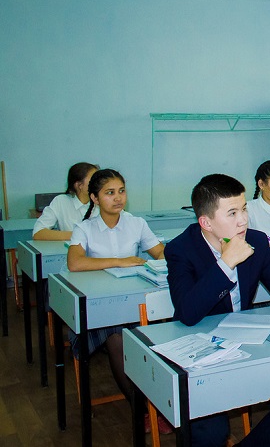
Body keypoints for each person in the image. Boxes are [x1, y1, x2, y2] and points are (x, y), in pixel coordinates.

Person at [166, 173, 270, 447]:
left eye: (244, 209)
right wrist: (225, 264)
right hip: (200, 354)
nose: (243, 220)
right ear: (206, 222)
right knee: (211, 433)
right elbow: (187, 313)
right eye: (232, 213)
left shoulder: (256, 241)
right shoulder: (181, 249)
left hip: (245, 348)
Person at [67, 169, 165, 421]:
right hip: (101, 306)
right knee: (117, 339)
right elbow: (75, 263)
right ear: (95, 198)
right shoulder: (84, 228)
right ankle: (142, 410)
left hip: (135, 300)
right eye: (109, 193)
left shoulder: (136, 223)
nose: (118, 197)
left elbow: (160, 253)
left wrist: (164, 260)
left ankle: (158, 406)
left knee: (153, 335)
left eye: (121, 191)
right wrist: (120, 261)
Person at [32, 162, 99, 240]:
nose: (100, 183)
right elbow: (38, 233)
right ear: (79, 185)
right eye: (94, 179)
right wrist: (77, 235)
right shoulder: (61, 201)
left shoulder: (104, 201)